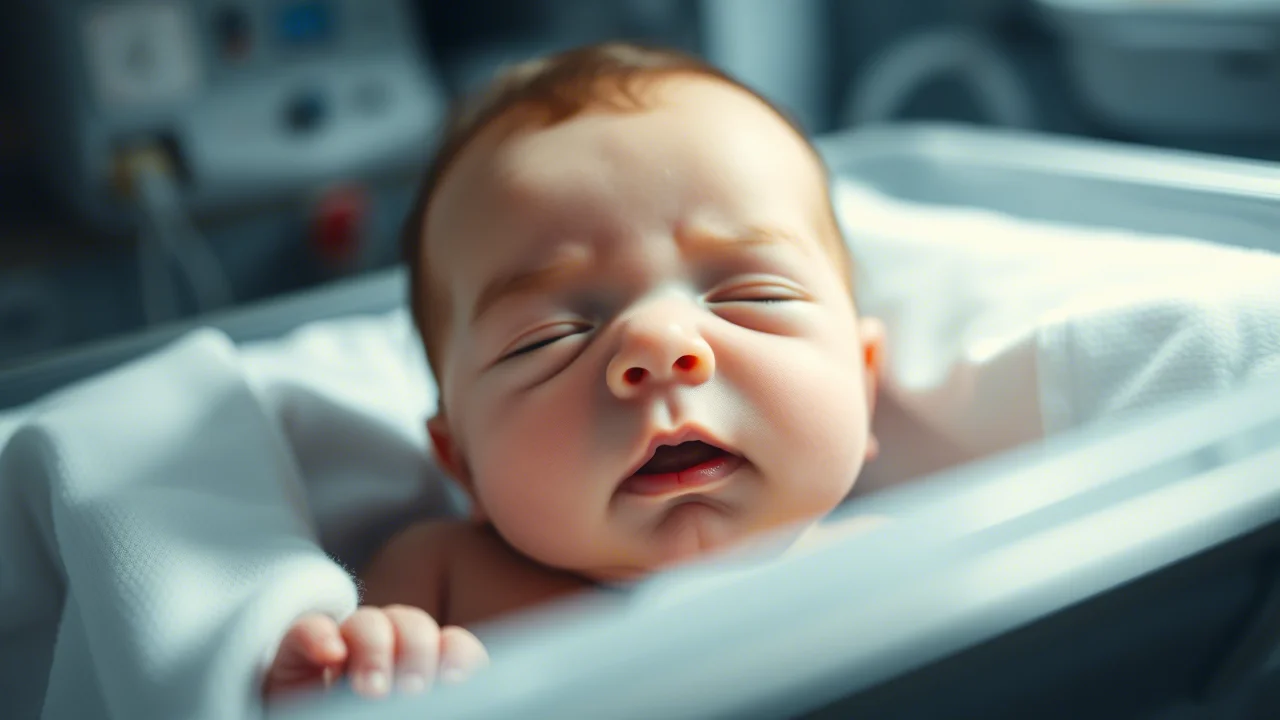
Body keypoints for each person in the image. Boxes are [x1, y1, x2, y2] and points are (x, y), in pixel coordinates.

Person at [262, 41, 885, 702]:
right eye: (548, 338)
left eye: (752, 295)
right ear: (463, 463)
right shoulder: (441, 578)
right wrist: (359, 670)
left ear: (865, 382)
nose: (657, 343)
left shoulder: (897, 554)